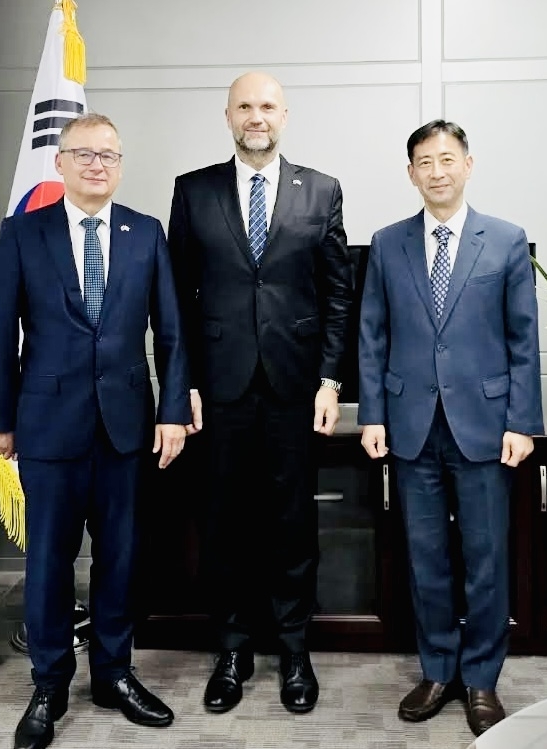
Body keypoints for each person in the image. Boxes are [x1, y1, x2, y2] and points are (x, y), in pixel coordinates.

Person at [0, 113, 191, 749]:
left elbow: (172, 332)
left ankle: (114, 675)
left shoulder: (146, 233)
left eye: (109, 155)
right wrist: (2, 418)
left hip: (127, 428)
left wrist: (173, 411)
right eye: (84, 154)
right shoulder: (23, 233)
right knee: (47, 563)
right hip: (46, 428)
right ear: (62, 164)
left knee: (121, 560)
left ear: (120, 165)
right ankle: (49, 684)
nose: (97, 165)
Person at [166, 71, 352, 714]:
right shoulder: (193, 192)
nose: (256, 116)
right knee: (224, 522)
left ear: (285, 114)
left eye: (267, 106)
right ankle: (235, 646)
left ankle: (294, 648)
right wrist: (182, 382)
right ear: (227, 115)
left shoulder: (320, 190)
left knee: (292, 521)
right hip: (218, 390)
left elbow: (336, 296)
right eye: (245, 106)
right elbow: (177, 303)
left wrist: (331, 379)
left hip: (295, 388)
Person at [358, 119, 544, 737]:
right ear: (410, 173)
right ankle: (437, 668)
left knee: (487, 558)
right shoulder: (388, 242)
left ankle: (482, 679)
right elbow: (373, 334)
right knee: (426, 557)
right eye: (423, 163)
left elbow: (523, 339)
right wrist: (374, 415)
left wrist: (524, 423)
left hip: (486, 427)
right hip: (411, 425)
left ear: (468, 164)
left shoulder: (507, 241)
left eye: (447, 159)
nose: (436, 172)